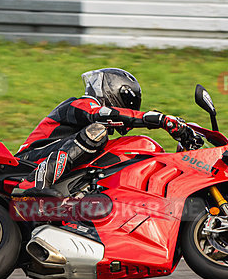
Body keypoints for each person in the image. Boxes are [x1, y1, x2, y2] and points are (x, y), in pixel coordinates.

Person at [15, 68, 189, 195]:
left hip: (49, 161)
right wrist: (156, 119)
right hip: (29, 161)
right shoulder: (80, 103)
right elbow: (101, 115)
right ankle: (33, 184)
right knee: (97, 132)